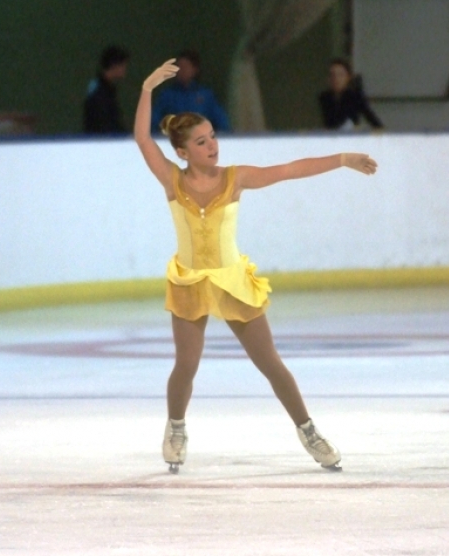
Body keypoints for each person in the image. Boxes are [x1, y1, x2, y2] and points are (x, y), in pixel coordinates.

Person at [135, 58, 378, 473]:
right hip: (191, 281)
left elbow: (287, 170)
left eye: (212, 137)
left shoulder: (236, 177)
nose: (212, 145)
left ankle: (309, 431)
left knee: (271, 364)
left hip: (232, 280)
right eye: (200, 142)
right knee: (186, 366)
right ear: (181, 152)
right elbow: (142, 138)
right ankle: (175, 427)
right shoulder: (172, 180)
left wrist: (341, 158)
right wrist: (146, 90)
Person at [150, 49, 231, 134]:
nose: (181, 71)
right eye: (178, 67)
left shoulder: (206, 95)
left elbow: (222, 122)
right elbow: (154, 122)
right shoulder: (167, 95)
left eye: (185, 67)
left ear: (195, 69)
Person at [319, 58, 383, 131]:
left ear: (348, 77)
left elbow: (370, 117)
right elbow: (329, 122)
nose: (336, 79)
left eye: (340, 75)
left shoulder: (355, 96)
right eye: (332, 75)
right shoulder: (325, 97)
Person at [83, 45, 131, 134]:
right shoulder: (99, 93)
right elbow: (104, 124)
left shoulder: (105, 90)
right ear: (114, 65)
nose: (124, 69)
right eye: (122, 65)